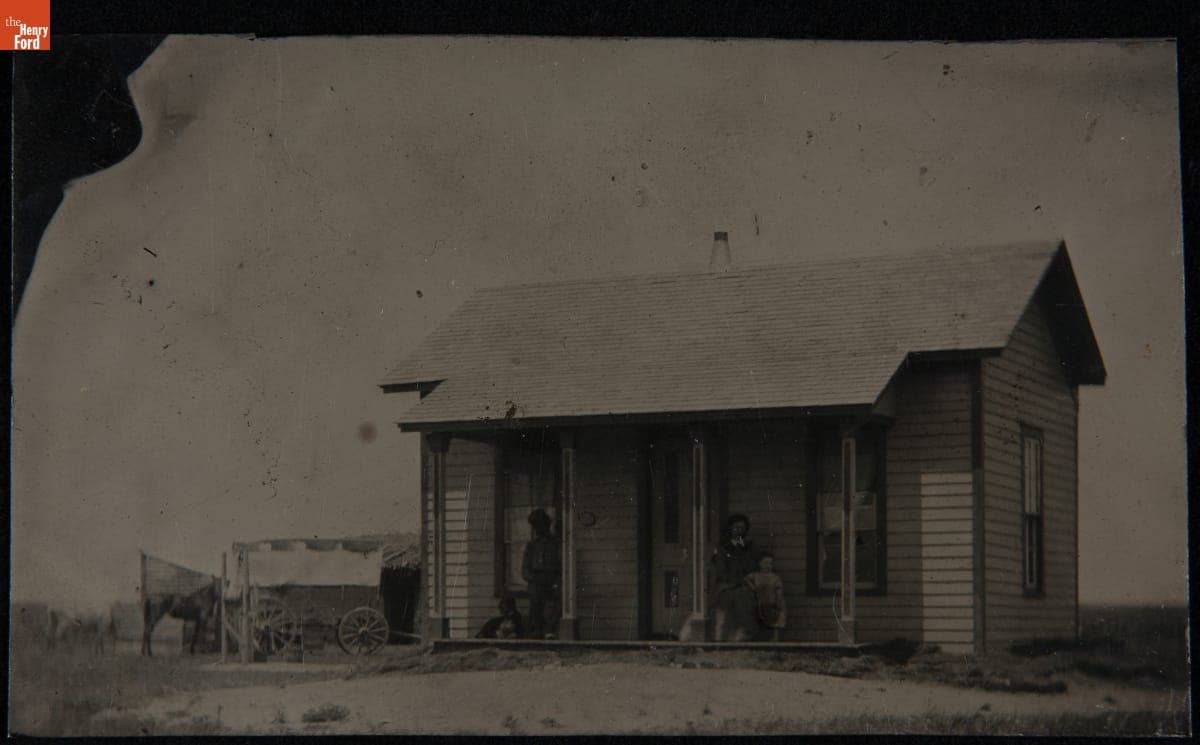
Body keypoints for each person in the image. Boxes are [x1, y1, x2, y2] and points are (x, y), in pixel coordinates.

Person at [709, 513, 760, 641]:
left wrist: (742, 550)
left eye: (742, 528)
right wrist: (732, 581)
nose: (739, 531)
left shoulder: (749, 546)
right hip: (726, 583)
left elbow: (752, 566)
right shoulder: (723, 547)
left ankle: (743, 634)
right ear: (730, 529)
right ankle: (723, 636)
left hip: (744, 582)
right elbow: (721, 570)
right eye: (736, 528)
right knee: (727, 597)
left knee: (746, 597)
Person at [521, 508, 561, 639]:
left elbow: (562, 565)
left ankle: (550, 631)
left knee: (555, 605)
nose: (538, 529)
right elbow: (525, 568)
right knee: (536, 606)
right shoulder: (531, 546)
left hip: (553, 579)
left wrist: (557, 581)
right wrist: (532, 579)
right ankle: (536, 632)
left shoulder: (556, 544)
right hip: (536, 581)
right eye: (535, 526)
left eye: (540, 526)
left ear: (547, 525)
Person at [744, 551, 786, 642]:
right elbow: (746, 579)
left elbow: (779, 590)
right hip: (759, 604)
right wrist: (752, 587)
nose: (768, 566)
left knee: (778, 617)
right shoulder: (756, 575)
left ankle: (775, 641)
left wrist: (778, 601)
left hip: (772, 603)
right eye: (765, 563)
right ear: (760, 564)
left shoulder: (775, 577)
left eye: (770, 564)